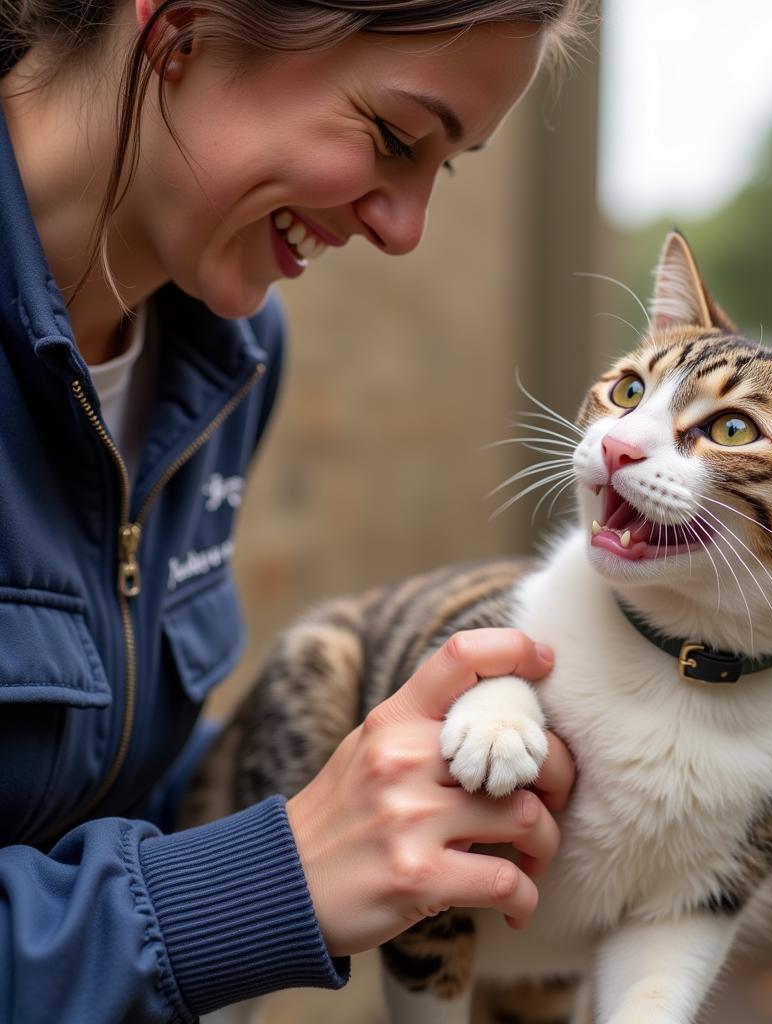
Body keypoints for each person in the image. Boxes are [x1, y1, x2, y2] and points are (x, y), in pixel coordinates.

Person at [0, 1, 585, 1020]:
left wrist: (365, 775)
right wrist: (268, 882)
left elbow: (99, 779)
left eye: (441, 169)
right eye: (395, 138)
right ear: (182, 28)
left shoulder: (230, 359)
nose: (402, 229)